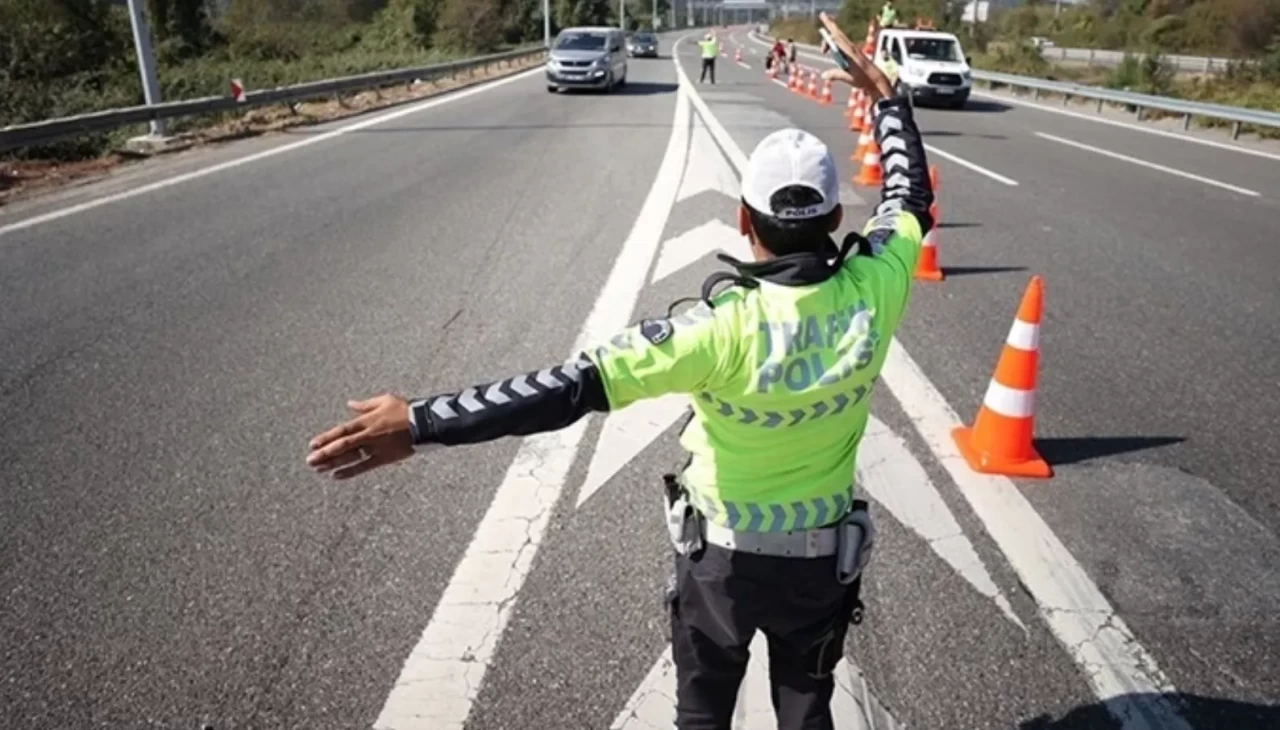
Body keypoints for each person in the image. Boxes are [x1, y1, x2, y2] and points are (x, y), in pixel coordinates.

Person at [305, 11, 933, 729]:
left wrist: (420, 422)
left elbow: (563, 389)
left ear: (743, 219)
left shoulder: (714, 331)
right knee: (807, 708)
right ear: (834, 218)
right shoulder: (878, 285)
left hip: (722, 567)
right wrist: (888, 101)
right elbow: (908, 198)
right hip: (820, 565)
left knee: (702, 715)